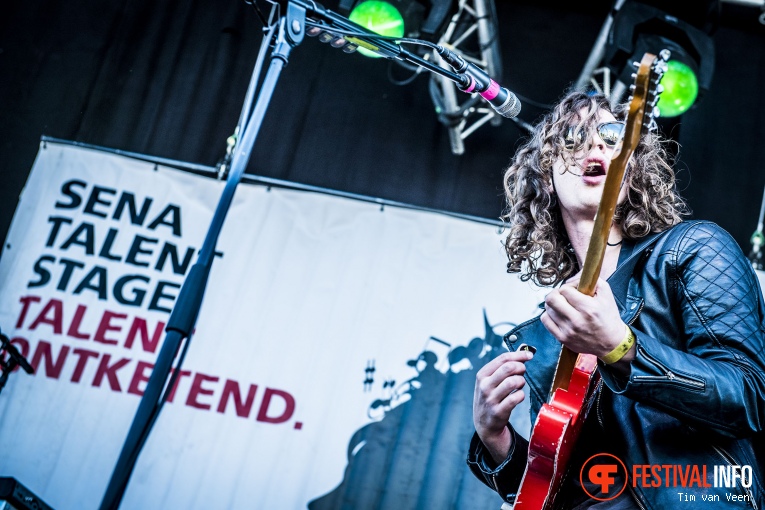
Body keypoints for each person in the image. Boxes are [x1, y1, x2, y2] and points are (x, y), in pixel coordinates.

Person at [467, 90, 765, 509]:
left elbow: (749, 397)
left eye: (612, 134)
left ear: (632, 168)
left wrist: (620, 349)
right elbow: (562, 486)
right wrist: (494, 438)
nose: (594, 145)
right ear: (546, 175)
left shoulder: (695, 248)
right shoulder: (551, 329)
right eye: (571, 138)